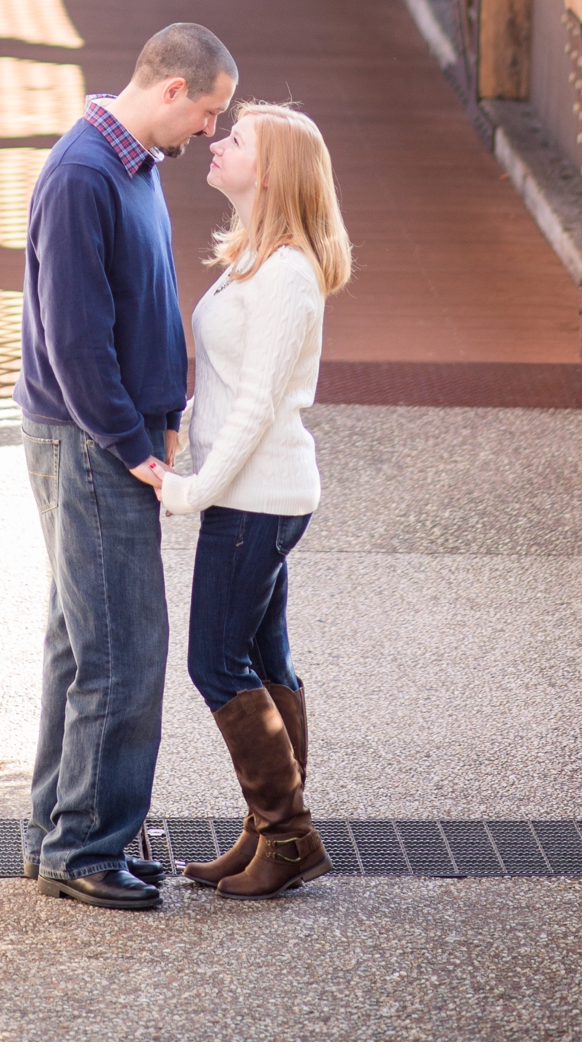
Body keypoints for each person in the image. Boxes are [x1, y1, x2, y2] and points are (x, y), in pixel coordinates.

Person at [17, 21, 238, 911]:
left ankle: (61, 832)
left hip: (111, 433)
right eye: (211, 113)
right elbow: (75, 340)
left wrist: (163, 414)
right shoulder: (83, 174)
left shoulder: (134, 164)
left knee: (82, 639)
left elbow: (137, 304)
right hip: (90, 440)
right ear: (173, 91)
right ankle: (87, 848)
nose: (211, 135)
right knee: (123, 644)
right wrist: (133, 442)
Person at [155, 102, 352, 900]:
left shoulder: (286, 276)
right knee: (264, 659)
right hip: (256, 495)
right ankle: (266, 829)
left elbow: (258, 405)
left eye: (236, 140)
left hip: (256, 501)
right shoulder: (253, 258)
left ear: (269, 173)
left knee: (215, 662)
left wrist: (192, 490)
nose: (218, 142)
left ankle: (289, 835)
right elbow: (226, 387)